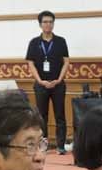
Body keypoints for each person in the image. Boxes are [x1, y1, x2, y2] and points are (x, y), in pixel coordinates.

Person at [24, 11, 70, 153]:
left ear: (53, 24)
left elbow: (66, 62)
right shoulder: (34, 42)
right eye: (45, 22)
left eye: (50, 22)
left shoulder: (61, 41)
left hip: (58, 84)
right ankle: (42, 145)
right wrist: (40, 81)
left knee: (60, 115)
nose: (48, 24)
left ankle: (60, 146)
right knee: (41, 116)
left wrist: (59, 79)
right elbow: (30, 63)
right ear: (40, 24)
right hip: (41, 85)